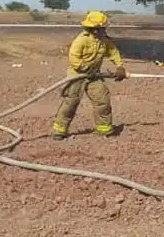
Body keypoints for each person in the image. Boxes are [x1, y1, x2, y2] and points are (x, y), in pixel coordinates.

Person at [50, 10, 127, 140]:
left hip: (94, 76)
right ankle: (59, 130)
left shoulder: (104, 40)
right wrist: (86, 68)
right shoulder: (81, 40)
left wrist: (120, 66)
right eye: (102, 28)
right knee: (71, 103)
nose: (104, 30)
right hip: (77, 75)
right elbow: (74, 59)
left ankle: (104, 129)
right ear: (95, 29)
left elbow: (113, 52)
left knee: (103, 101)